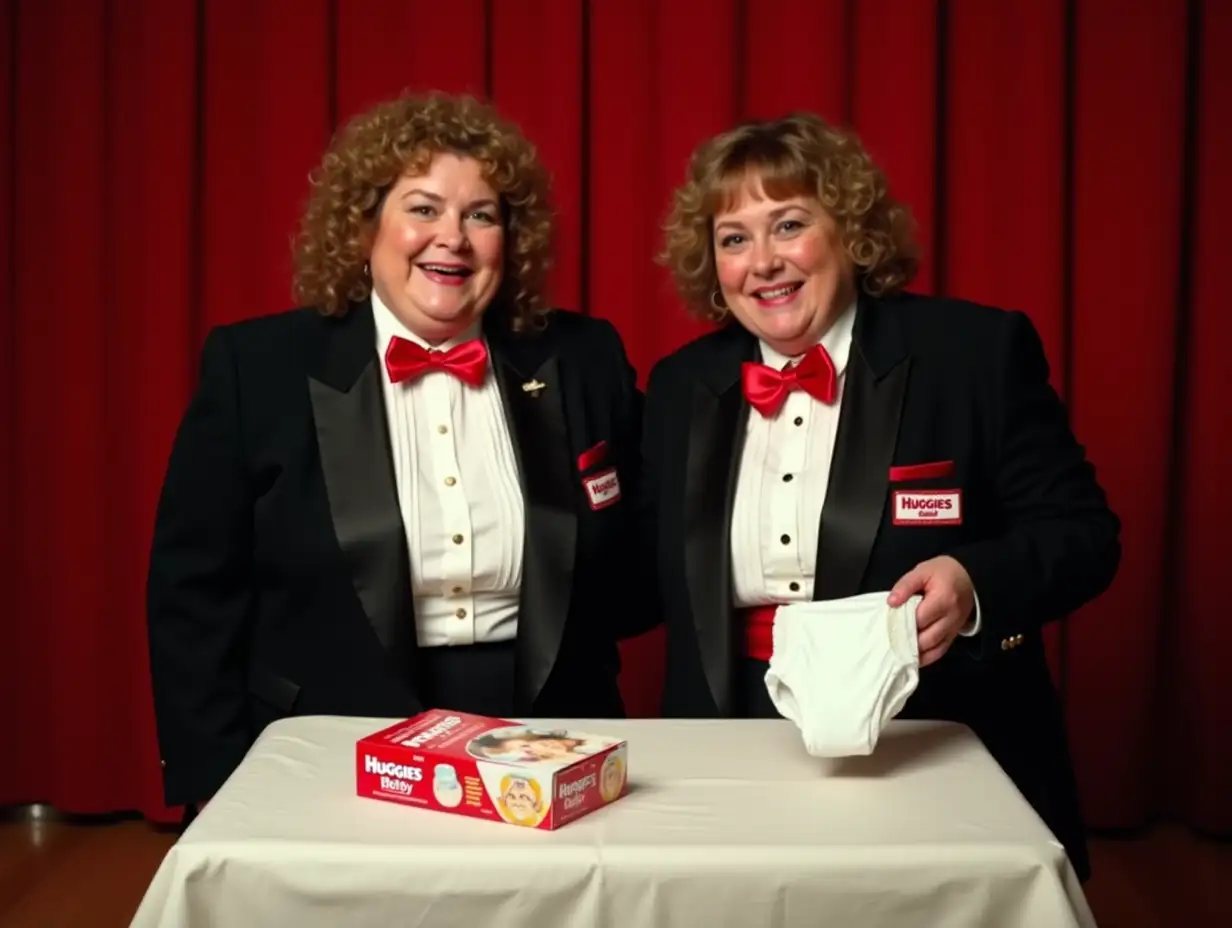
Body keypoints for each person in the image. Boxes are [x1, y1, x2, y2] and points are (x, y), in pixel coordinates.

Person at [641, 111, 1120, 882]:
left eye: (789, 225)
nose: (763, 262)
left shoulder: (972, 353)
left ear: (849, 231)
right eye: (734, 238)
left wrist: (974, 586)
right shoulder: (679, 387)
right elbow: (637, 573)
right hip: (731, 739)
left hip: (933, 735)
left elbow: (1085, 535)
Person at [146, 92, 642, 813]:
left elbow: (650, 538)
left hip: (547, 736)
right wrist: (215, 788)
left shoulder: (583, 357)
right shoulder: (259, 367)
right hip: (325, 741)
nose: (454, 238)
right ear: (364, 226)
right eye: (423, 208)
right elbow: (192, 596)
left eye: (481, 214)